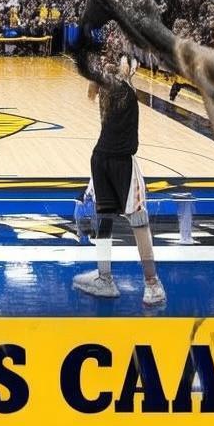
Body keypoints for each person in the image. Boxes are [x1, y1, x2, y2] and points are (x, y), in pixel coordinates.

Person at [72, 55, 166, 305]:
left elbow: (93, 90)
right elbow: (98, 87)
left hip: (106, 159)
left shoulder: (115, 90)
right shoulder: (119, 89)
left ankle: (124, 280)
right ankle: (140, 282)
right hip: (116, 161)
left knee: (117, 220)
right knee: (129, 221)